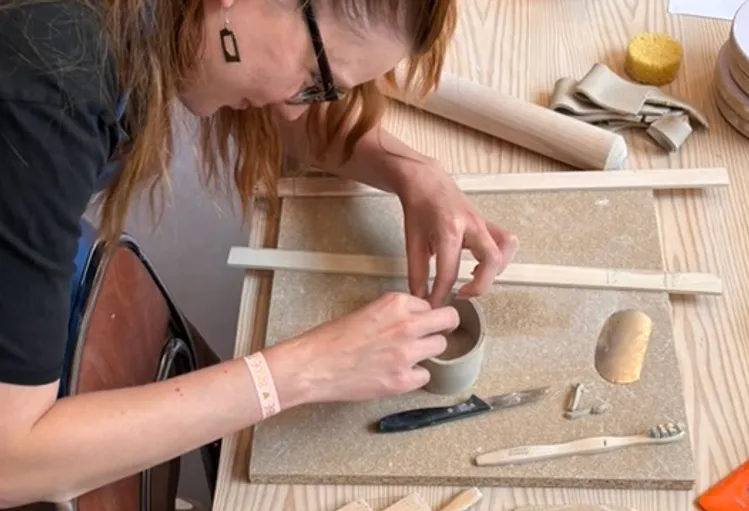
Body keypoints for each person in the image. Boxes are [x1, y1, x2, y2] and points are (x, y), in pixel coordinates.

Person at [0, 0, 519, 506]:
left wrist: (414, 173)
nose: (295, 104)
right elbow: (12, 462)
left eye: (324, 91)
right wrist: (304, 370)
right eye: (314, 76)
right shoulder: (45, 87)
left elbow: (289, 116)